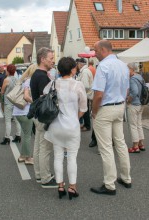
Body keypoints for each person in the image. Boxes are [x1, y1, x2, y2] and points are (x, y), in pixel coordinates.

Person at [90, 40, 131, 195]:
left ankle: (109, 184)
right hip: (120, 106)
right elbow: (126, 91)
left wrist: (94, 112)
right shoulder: (123, 65)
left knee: (106, 147)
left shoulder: (103, 67)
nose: (94, 54)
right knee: (120, 143)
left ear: (103, 50)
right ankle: (126, 178)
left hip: (105, 109)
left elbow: (98, 94)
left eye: (95, 51)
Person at [44, 57, 87, 199]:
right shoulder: (78, 85)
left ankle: (60, 186)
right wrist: (76, 118)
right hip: (72, 126)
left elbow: (44, 97)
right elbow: (83, 108)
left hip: (56, 125)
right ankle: (72, 187)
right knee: (72, 157)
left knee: (58, 156)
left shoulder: (53, 83)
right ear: (73, 69)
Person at [30, 47, 57, 188]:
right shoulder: (42, 76)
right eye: (51, 58)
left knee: (38, 146)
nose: (53, 61)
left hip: (37, 115)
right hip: (43, 116)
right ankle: (46, 178)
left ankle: (39, 174)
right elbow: (45, 99)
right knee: (45, 147)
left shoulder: (37, 74)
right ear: (42, 59)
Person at [12, 64, 37, 165]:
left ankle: (22, 156)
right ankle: (28, 158)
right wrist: (35, 103)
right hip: (25, 112)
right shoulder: (29, 81)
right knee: (27, 135)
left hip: (18, 111)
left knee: (26, 133)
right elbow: (26, 97)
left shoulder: (23, 80)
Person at [0, 64, 21, 145]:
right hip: (15, 102)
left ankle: (7, 137)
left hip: (8, 102)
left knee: (8, 120)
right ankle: (18, 135)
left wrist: (2, 100)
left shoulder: (6, 80)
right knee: (17, 120)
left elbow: (2, 91)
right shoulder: (16, 79)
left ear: (8, 71)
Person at [126, 63, 145, 153]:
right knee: (139, 124)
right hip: (141, 103)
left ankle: (135, 146)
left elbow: (134, 91)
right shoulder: (140, 77)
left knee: (133, 125)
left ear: (131, 69)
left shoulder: (132, 79)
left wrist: (128, 100)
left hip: (134, 104)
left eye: (127, 69)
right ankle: (141, 143)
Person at [77, 58, 93, 131]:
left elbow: (85, 85)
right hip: (85, 93)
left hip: (85, 94)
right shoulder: (84, 71)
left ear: (80, 64)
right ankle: (86, 124)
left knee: (85, 110)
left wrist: (80, 92)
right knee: (85, 110)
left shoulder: (85, 72)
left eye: (78, 64)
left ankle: (87, 126)